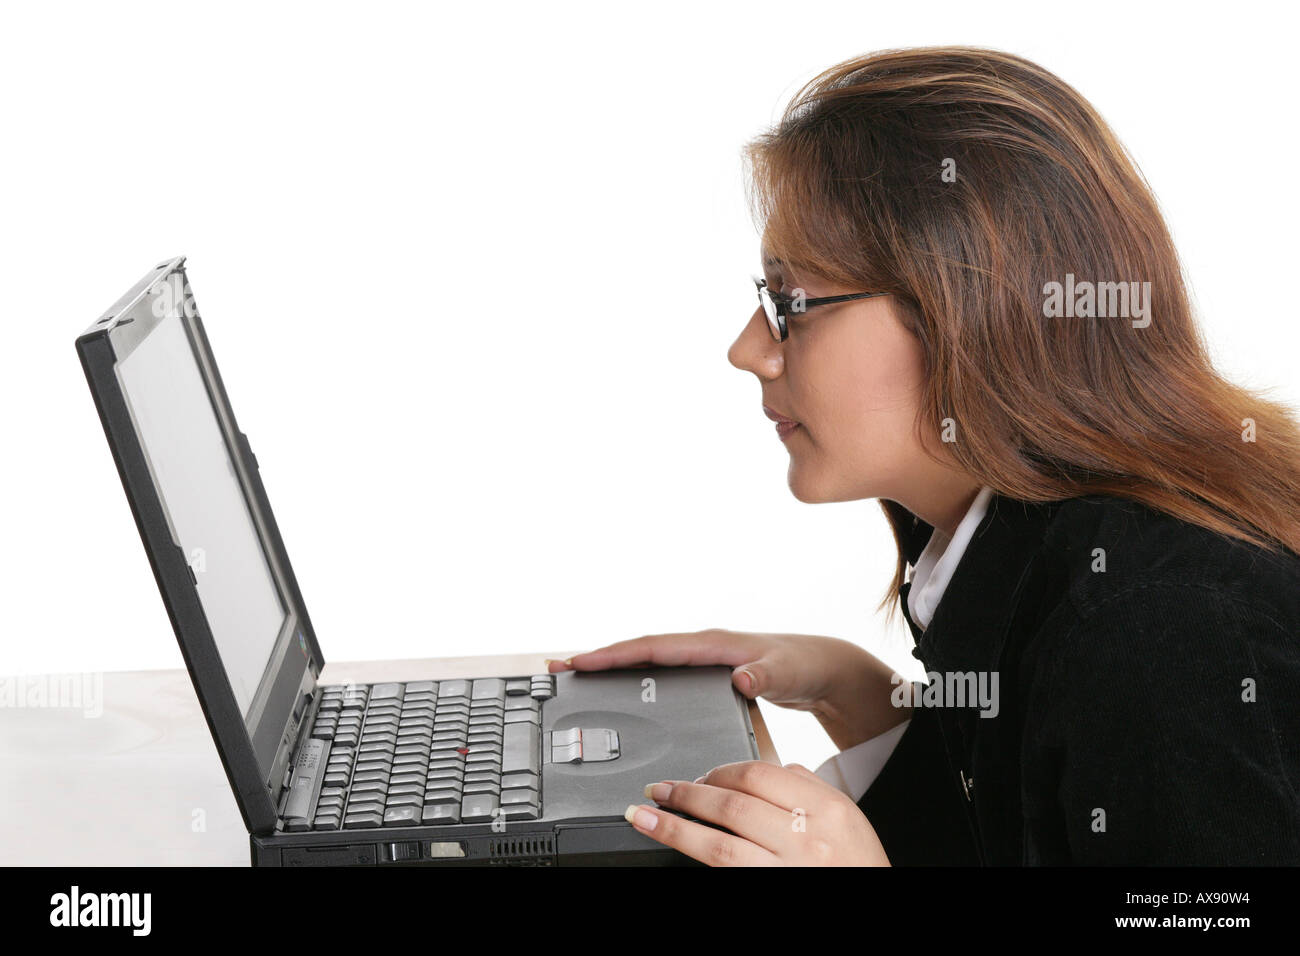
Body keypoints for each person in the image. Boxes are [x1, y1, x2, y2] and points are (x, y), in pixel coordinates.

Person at [548, 46, 1300, 866]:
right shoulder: (1031, 546)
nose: (747, 350)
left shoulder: (1155, 620)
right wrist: (860, 693)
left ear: (965, 314)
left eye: (790, 303)